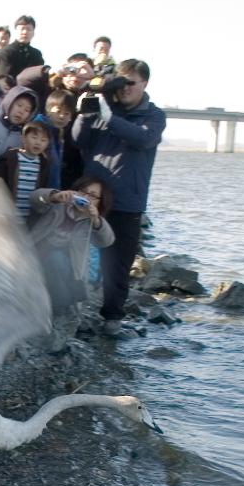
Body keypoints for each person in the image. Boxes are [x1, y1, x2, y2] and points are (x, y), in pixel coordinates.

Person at [73, 59, 165, 336]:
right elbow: (79, 140)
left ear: (145, 83)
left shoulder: (154, 116)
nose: (124, 89)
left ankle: (112, 318)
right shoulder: (103, 107)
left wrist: (109, 118)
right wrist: (84, 115)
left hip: (127, 203)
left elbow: (143, 139)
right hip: (93, 198)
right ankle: (73, 312)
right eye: (121, 82)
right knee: (79, 258)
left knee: (118, 264)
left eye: (131, 83)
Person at [28, 175, 115, 350]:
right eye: (83, 192)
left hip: (65, 269)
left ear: (99, 202)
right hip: (36, 258)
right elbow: (35, 198)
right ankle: (61, 308)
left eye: (93, 196)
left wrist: (96, 220)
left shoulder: (91, 220)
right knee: (55, 257)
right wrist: (54, 195)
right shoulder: (59, 207)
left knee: (59, 259)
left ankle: (57, 311)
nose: (86, 198)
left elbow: (107, 241)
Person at [0, 119, 50, 217]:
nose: (38, 142)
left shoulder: (43, 164)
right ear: (23, 138)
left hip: (29, 218)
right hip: (7, 216)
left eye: (43, 140)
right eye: (34, 137)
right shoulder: (9, 159)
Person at [0, 83, 38, 166]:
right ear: (9, 103)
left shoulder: (23, 137)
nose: (21, 111)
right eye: (19, 105)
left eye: (27, 110)